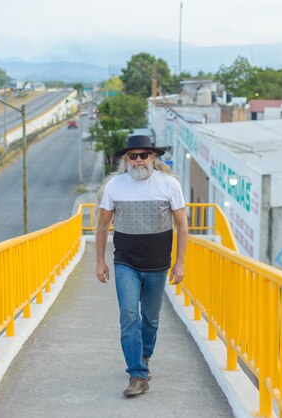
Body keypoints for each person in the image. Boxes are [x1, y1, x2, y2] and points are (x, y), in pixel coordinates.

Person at [95, 135, 188, 397]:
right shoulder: (115, 185)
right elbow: (102, 226)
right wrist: (100, 261)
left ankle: (144, 357)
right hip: (126, 262)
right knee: (128, 315)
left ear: (153, 157)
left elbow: (182, 225)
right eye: (132, 156)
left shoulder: (169, 185)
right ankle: (136, 374)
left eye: (143, 155)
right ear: (126, 159)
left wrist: (180, 263)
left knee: (151, 318)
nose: (138, 161)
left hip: (158, 265)